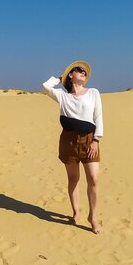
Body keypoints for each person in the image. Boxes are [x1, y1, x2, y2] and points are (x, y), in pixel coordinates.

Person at [42, 60, 103, 234]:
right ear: (71, 74)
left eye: (85, 72)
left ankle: (93, 217)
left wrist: (96, 140)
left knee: (93, 179)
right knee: (73, 179)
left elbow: (98, 117)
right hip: (68, 140)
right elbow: (45, 86)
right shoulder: (63, 95)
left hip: (89, 140)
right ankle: (76, 212)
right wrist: (61, 78)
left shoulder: (93, 93)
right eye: (79, 70)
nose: (83, 73)